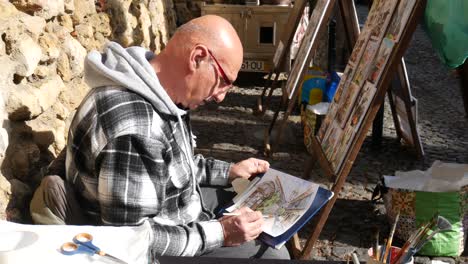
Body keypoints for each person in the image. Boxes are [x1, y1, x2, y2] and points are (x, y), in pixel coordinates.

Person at [30, 15, 290, 259]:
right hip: (152, 245)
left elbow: (172, 165)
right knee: (275, 254)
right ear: (198, 57)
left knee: (252, 204)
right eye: (223, 81)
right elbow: (131, 239)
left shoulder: (158, 91)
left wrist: (231, 171)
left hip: (177, 210)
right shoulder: (136, 128)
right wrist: (220, 233)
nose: (221, 96)